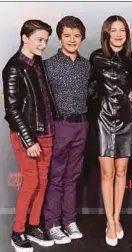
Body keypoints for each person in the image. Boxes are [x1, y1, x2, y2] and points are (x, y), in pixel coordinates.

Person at [2, 20, 56, 252]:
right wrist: (29, 140)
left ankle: (34, 225)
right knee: (31, 181)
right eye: (39, 39)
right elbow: (12, 110)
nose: (43, 45)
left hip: (47, 132)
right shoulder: (13, 67)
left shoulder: (38, 63)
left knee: (43, 182)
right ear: (25, 38)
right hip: (27, 137)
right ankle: (18, 231)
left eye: (46, 40)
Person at [88, 15, 132, 247]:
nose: (118, 34)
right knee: (107, 173)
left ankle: (117, 219)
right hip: (103, 119)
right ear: (106, 33)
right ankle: (109, 221)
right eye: (114, 30)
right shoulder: (96, 57)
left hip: (126, 120)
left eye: (122, 30)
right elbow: (89, 88)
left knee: (121, 172)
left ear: (127, 34)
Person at [43, 16, 90, 245]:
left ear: (82, 38)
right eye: (67, 35)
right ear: (60, 38)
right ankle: (52, 223)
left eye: (76, 36)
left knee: (73, 176)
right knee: (57, 176)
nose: (72, 40)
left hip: (82, 125)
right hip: (59, 125)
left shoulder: (86, 64)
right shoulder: (48, 65)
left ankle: (69, 221)